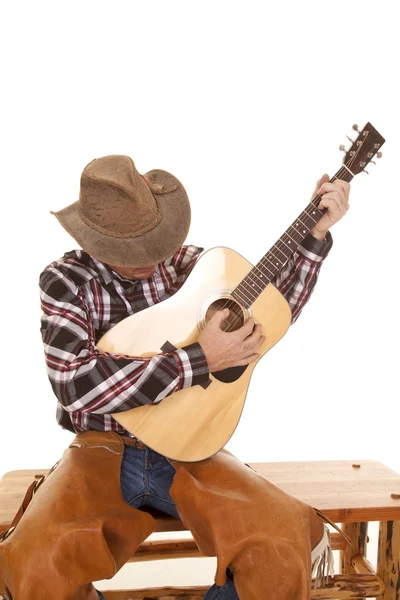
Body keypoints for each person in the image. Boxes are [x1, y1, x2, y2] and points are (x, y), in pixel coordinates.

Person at [38, 154, 349, 599]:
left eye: (152, 242)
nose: (147, 258)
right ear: (94, 240)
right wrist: (199, 358)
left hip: (190, 449)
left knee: (282, 541)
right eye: (130, 250)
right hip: (99, 450)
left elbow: (269, 317)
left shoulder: (195, 269)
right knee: (38, 563)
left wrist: (314, 236)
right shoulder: (65, 281)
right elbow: (74, 382)